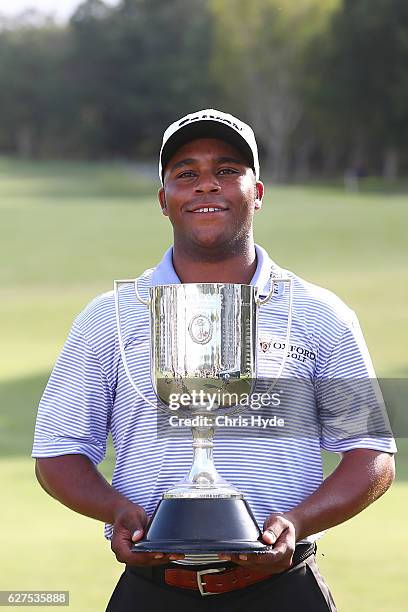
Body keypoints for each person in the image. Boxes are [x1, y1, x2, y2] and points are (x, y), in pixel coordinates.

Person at [33, 109, 396, 611]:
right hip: (154, 591)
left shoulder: (320, 315)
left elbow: (371, 453)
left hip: (284, 590)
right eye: (186, 173)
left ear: (258, 192)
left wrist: (296, 521)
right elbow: (58, 451)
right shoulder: (108, 319)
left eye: (227, 170)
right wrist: (118, 510)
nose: (207, 185)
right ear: (164, 200)